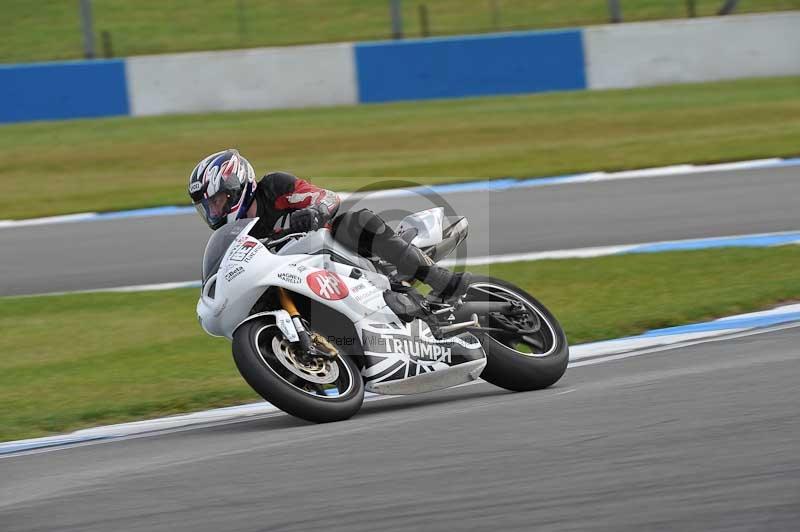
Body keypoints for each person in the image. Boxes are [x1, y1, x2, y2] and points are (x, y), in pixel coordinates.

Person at [187, 149, 471, 313]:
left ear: (237, 186)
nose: (214, 211)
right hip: (301, 277)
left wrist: (312, 212)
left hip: (333, 253)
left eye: (218, 201)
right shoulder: (239, 234)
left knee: (354, 221)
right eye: (208, 207)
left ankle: (439, 279)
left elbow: (327, 198)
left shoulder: (274, 187)